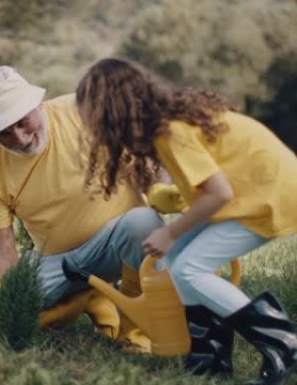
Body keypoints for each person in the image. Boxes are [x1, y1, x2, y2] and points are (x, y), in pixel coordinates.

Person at [73, 58, 297, 384]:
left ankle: (284, 342)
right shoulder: (172, 123)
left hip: (268, 199)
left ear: (113, 111)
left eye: (95, 118)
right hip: (252, 194)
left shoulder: (171, 131)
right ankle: (209, 359)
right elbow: (213, 181)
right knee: (175, 263)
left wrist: (170, 233)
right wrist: (173, 209)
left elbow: (218, 193)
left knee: (188, 268)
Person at [0, 66, 164, 352]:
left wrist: (164, 188)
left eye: (22, 123)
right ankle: (85, 298)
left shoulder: (84, 112)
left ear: (36, 104)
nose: (20, 139)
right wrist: (0, 297)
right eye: (4, 133)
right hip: (59, 262)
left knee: (145, 222)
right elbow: (2, 251)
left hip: (118, 244)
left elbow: (152, 155)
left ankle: (136, 335)